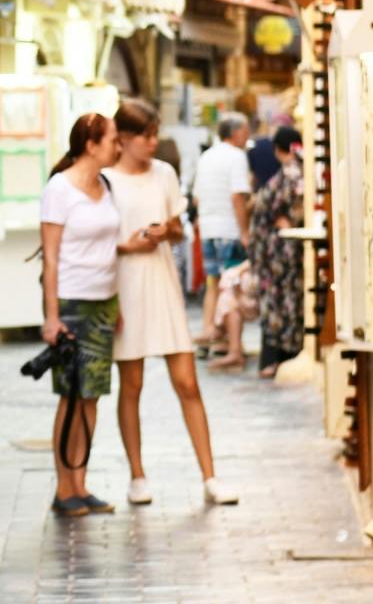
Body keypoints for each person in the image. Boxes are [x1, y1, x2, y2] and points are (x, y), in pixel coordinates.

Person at [104, 100, 238, 507]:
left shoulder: (163, 172)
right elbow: (97, 240)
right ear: (124, 138)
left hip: (162, 281)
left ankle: (210, 475)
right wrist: (128, 244)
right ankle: (137, 475)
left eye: (153, 134)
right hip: (125, 282)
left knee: (187, 381)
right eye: (145, 135)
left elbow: (181, 228)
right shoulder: (106, 180)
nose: (151, 142)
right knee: (132, 384)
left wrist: (166, 231)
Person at [39, 111, 133, 518]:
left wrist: (118, 304)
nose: (119, 146)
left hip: (103, 302)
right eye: (113, 139)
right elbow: (52, 256)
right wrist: (51, 316)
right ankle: (64, 486)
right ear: (91, 145)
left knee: (92, 396)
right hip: (73, 305)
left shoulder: (106, 185)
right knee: (71, 395)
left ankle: (81, 481)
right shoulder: (60, 189)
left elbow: (110, 251)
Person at [189, 113, 252, 350]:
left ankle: (210, 330)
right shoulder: (237, 157)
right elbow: (237, 196)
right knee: (231, 286)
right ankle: (226, 340)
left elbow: (196, 198)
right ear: (235, 133)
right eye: (245, 132)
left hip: (208, 228)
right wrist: (245, 231)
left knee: (213, 282)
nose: (247, 137)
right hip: (229, 229)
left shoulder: (206, 157)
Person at [249, 125, 307, 378]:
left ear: (277, 149)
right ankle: (280, 355)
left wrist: (291, 220)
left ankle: (274, 358)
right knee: (285, 301)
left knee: (276, 303)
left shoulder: (291, 170)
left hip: (277, 251)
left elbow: (291, 205)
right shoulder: (300, 167)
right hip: (280, 250)